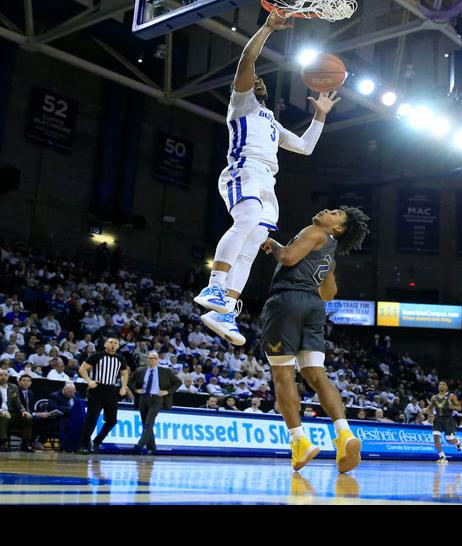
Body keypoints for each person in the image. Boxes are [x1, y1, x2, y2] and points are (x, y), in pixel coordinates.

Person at [194, 10, 341, 346]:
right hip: (243, 170)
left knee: (251, 246)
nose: (258, 80)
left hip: (267, 183)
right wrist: (267, 28)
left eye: (262, 80)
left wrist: (319, 116)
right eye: (254, 79)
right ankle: (214, 286)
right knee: (245, 220)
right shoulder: (241, 104)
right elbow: (248, 59)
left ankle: (224, 311)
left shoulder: (272, 122)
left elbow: (305, 147)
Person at [259, 207, 369, 472]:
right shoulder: (330, 253)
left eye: (335, 213)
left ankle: (299, 441)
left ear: (338, 228)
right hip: (313, 307)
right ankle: (344, 435)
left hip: (287, 301)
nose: (327, 210)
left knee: (283, 374)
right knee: (316, 375)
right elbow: (329, 293)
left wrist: (274, 244)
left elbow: (287, 258)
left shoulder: (315, 231)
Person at [78, 337, 130, 453]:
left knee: (112, 420)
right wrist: (89, 381)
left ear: (118, 346)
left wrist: (123, 386)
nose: (113, 344)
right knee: (92, 419)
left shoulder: (121, 359)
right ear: (105, 344)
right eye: (111, 342)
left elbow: (124, 374)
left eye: (116, 343)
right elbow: (82, 369)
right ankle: (84, 445)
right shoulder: (97, 356)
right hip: (97, 389)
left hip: (111, 390)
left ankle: (97, 441)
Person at [128, 351, 179, 454]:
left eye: (154, 358)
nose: (152, 360)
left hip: (157, 399)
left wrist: (167, 391)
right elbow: (130, 382)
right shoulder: (140, 370)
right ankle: (152, 447)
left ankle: (140, 445)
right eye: (150, 358)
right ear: (147, 359)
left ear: (157, 360)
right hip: (143, 398)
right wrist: (136, 390)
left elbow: (178, 382)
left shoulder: (165, 371)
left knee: (149, 422)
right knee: (145, 423)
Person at [427, 381, 462, 463]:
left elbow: (459, 407)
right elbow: (430, 408)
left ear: (446, 387)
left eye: (443, 385)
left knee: (449, 440)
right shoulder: (434, 397)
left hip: (448, 419)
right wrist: (429, 413)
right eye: (440, 384)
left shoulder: (451, 396)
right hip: (438, 419)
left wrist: (452, 406)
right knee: (436, 437)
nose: (441, 386)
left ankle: (458, 442)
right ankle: (442, 456)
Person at [0, 370, 32, 452]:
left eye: (5, 375)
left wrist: (23, 411)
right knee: (4, 418)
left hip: (11, 413)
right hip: (1, 413)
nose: (3, 377)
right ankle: (3, 443)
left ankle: (25, 443)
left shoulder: (13, 387)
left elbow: (17, 402)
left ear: (8, 377)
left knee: (26, 417)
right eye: (1, 375)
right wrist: (1, 411)